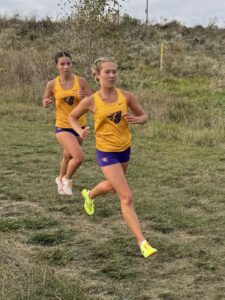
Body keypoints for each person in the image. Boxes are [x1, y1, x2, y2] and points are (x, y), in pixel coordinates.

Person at [68, 57, 157, 258]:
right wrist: (79, 131)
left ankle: (89, 195)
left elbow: (144, 117)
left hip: (124, 149)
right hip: (106, 152)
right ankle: (143, 243)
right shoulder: (91, 100)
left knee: (111, 185)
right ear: (97, 76)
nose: (112, 75)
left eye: (114, 71)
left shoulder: (126, 96)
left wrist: (136, 120)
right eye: (107, 72)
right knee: (126, 196)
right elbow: (72, 117)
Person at [43, 51, 91, 195]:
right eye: (62, 64)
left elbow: (92, 100)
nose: (66, 66)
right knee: (79, 157)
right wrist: (46, 102)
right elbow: (45, 102)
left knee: (68, 156)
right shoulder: (52, 84)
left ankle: (59, 178)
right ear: (56, 66)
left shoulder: (81, 81)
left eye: (68, 63)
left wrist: (84, 97)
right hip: (62, 126)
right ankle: (66, 180)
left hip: (79, 126)